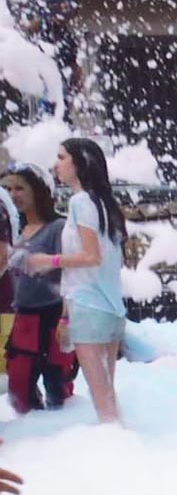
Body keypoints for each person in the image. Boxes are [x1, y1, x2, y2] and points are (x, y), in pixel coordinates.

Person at [25, 138, 126, 423]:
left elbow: (91, 257)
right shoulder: (105, 203)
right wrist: (66, 317)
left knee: (103, 404)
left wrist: (48, 260)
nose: (56, 165)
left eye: (62, 157)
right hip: (109, 308)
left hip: (90, 305)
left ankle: (122, 454)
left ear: (79, 163)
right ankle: (126, 451)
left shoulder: (81, 202)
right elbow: (103, 262)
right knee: (108, 398)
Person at [2, 163, 77, 413]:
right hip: (23, 315)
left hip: (53, 313)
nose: (13, 195)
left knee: (58, 385)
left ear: (38, 190)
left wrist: (66, 318)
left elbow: (71, 272)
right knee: (19, 388)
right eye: (8, 188)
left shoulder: (58, 228)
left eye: (20, 188)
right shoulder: (14, 230)